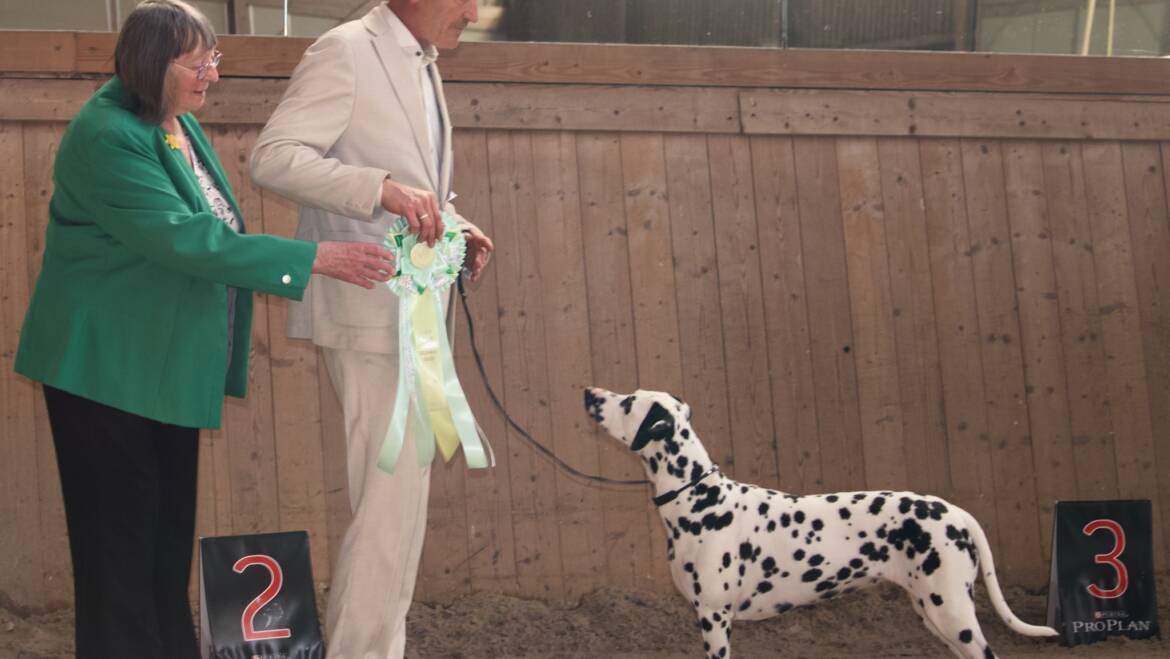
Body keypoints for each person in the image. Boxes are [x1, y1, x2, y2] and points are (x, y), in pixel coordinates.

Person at [12, 2, 395, 657]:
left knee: (163, 542)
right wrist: (312, 258)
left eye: (214, 58)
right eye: (199, 63)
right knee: (119, 549)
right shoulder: (107, 136)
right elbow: (189, 240)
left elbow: (210, 231)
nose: (212, 74)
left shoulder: (173, 122)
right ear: (152, 65)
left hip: (160, 368)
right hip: (103, 369)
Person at [250, 1, 493, 656]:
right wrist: (381, 189)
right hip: (367, 311)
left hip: (412, 315)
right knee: (388, 510)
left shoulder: (422, 62)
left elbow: (412, 184)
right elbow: (273, 158)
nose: (474, 12)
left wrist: (453, 226)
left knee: (400, 509)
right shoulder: (345, 50)